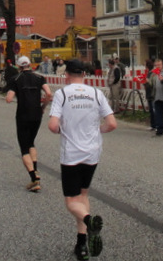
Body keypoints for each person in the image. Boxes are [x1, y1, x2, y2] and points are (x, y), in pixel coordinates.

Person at [48, 58, 116, 261]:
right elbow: (112, 123)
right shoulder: (96, 93)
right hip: (92, 152)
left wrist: (63, 129)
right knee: (83, 195)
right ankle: (82, 244)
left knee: (71, 201)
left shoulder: (61, 94)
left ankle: (89, 220)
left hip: (71, 154)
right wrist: (98, 130)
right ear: (84, 75)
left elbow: (53, 126)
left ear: (66, 75)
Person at [6, 56, 52, 192]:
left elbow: (8, 99)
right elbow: (49, 93)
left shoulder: (15, 79)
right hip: (37, 114)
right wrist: (43, 107)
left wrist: (13, 95)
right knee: (31, 142)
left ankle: (34, 178)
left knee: (24, 147)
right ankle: (35, 171)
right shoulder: (39, 78)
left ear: (19, 66)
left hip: (23, 115)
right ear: (30, 65)